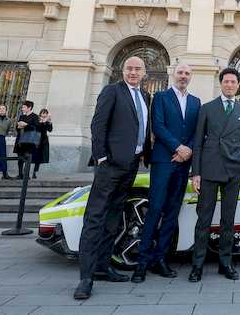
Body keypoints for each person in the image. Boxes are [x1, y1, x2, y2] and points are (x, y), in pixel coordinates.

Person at [74, 56, 151, 300]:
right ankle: (86, 278)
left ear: (144, 72)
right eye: (129, 68)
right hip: (110, 166)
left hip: (131, 165)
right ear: (123, 70)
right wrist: (101, 158)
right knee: (95, 218)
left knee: (114, 217)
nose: (133, 72)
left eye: (138, 69)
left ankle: (102, 267)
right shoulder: (112, 91)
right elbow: (98, 125)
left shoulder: (145, 96)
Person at [132, 64, 201, 283]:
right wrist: (178, 148)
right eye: (180, 72)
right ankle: (142, 263)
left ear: (191, 77)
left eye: (187, 73)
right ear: (173, 74)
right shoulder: (160, 97)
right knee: (154, 210)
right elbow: (158, 127)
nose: (183, 76)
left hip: (183, 165)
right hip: (163, 161)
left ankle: (160, 259)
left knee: (172, 213)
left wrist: (187, 150)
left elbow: (196, 131)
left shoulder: (195, 102)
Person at [188, 67, 240, 283]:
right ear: (221, 83)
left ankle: (225, 263)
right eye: (226, 82)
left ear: (238, 85)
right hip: (209, 170)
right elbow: (197, 143)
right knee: (203, 220)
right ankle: (197, 266)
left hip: (233, 171)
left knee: (228, 221)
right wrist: (195, 172)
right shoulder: (207, 109)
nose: (230, 85)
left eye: (233, 82)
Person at [14, 101, 39, 179]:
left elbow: (36, 128)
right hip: (21, 139)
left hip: (29, 141)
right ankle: (20, 174)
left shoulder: (35, 116)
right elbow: (17, 127)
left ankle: (26, 175)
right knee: (20, 157)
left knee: (27, 158)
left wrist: (26, 125)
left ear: (29, 108)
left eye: (24, 107)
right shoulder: (22, 116)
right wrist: (18, 127)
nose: (22, 108)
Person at [31, 108, 53, 179]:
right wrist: (43, 121)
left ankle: (35, 172)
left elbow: (50, 130)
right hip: (37, 140)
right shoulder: (37, 120)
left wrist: (49, 122)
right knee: (33, 156)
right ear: (40, 114)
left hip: (43, 141)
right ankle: (27, 170)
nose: (44, 114)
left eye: (46, 113)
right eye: (43, 113)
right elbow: (38, 127)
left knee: (40, 158)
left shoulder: (47, 121)